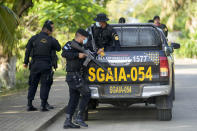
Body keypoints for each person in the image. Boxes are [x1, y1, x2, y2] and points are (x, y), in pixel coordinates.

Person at [24, 20, 61, 112]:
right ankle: (43, 105)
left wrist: (25, 62)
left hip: (35, 65)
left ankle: (29, 104)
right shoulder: (51, 39)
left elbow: (27, 50)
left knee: (32, 84)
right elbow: (59, 48)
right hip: (46, 65)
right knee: (45, 84)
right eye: (51, 30)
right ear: (48, 30)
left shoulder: (34, 38)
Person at [62, 29, 91, 129]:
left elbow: (88, 54)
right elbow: (64, 54)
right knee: (87, 93)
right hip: (73, 76)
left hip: (77, 75)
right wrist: (77, 55)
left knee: (73, 99)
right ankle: (79, 117)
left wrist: (96, 53)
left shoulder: (82, 47)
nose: (85, 39)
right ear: (79, 36)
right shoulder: (70, 44)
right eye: (84, 38)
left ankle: (68, 121)